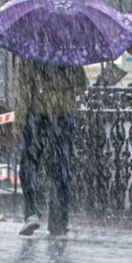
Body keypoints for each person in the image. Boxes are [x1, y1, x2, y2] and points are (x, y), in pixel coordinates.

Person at [15, 58, 88, 238]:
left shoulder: (31, 52)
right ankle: (58, 223)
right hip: (64, 115)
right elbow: (82, 84)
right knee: (60, 170)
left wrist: (18, 122)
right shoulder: (69, 51)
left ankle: (32, 213)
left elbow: (24, 88)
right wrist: (65, 91)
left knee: (29, 166)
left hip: (38, 115)